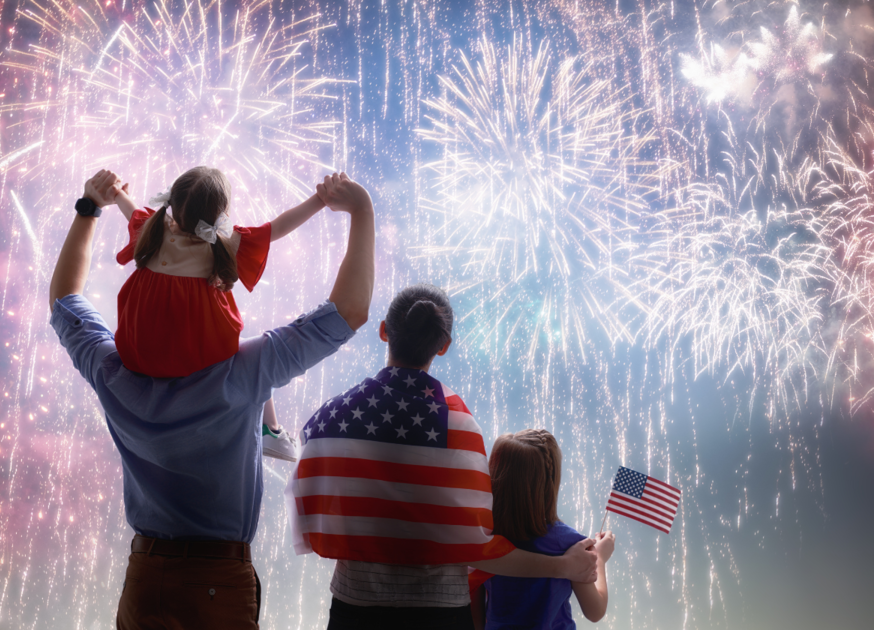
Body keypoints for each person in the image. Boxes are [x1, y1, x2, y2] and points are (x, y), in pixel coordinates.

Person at [50, 169, 374, 629]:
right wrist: (360, 211)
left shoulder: (112, 372)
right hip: (216, 583)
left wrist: (88, 209)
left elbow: (64, 299)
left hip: (144, 578)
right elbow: (349, 312)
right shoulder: (245, 372)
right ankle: (272, 432)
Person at [286, 284, 599, 630]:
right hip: (439, 613)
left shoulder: (334, 417)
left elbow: (312, 507)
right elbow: (472, 545)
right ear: (444, 345)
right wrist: (563, 567)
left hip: (354, 607)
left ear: (384, 330)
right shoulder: (459, 425)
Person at [111, 167, 325, 461]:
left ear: (172, 203)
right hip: (198, 361)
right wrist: (320, 200)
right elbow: (278, 226)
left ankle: (266, 430)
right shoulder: (225, 243)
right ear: (220, 213)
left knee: (244, 349)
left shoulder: (153, 228)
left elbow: (131, 208)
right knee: (255, 357)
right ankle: (270, 431)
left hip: (139, 353)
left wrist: (118, 192)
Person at [470, 430, 615, 630]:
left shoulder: (483, 538)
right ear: (551, 483)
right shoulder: (571, 545)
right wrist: (599, 559)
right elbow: (595, 611)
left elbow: (476, 617)